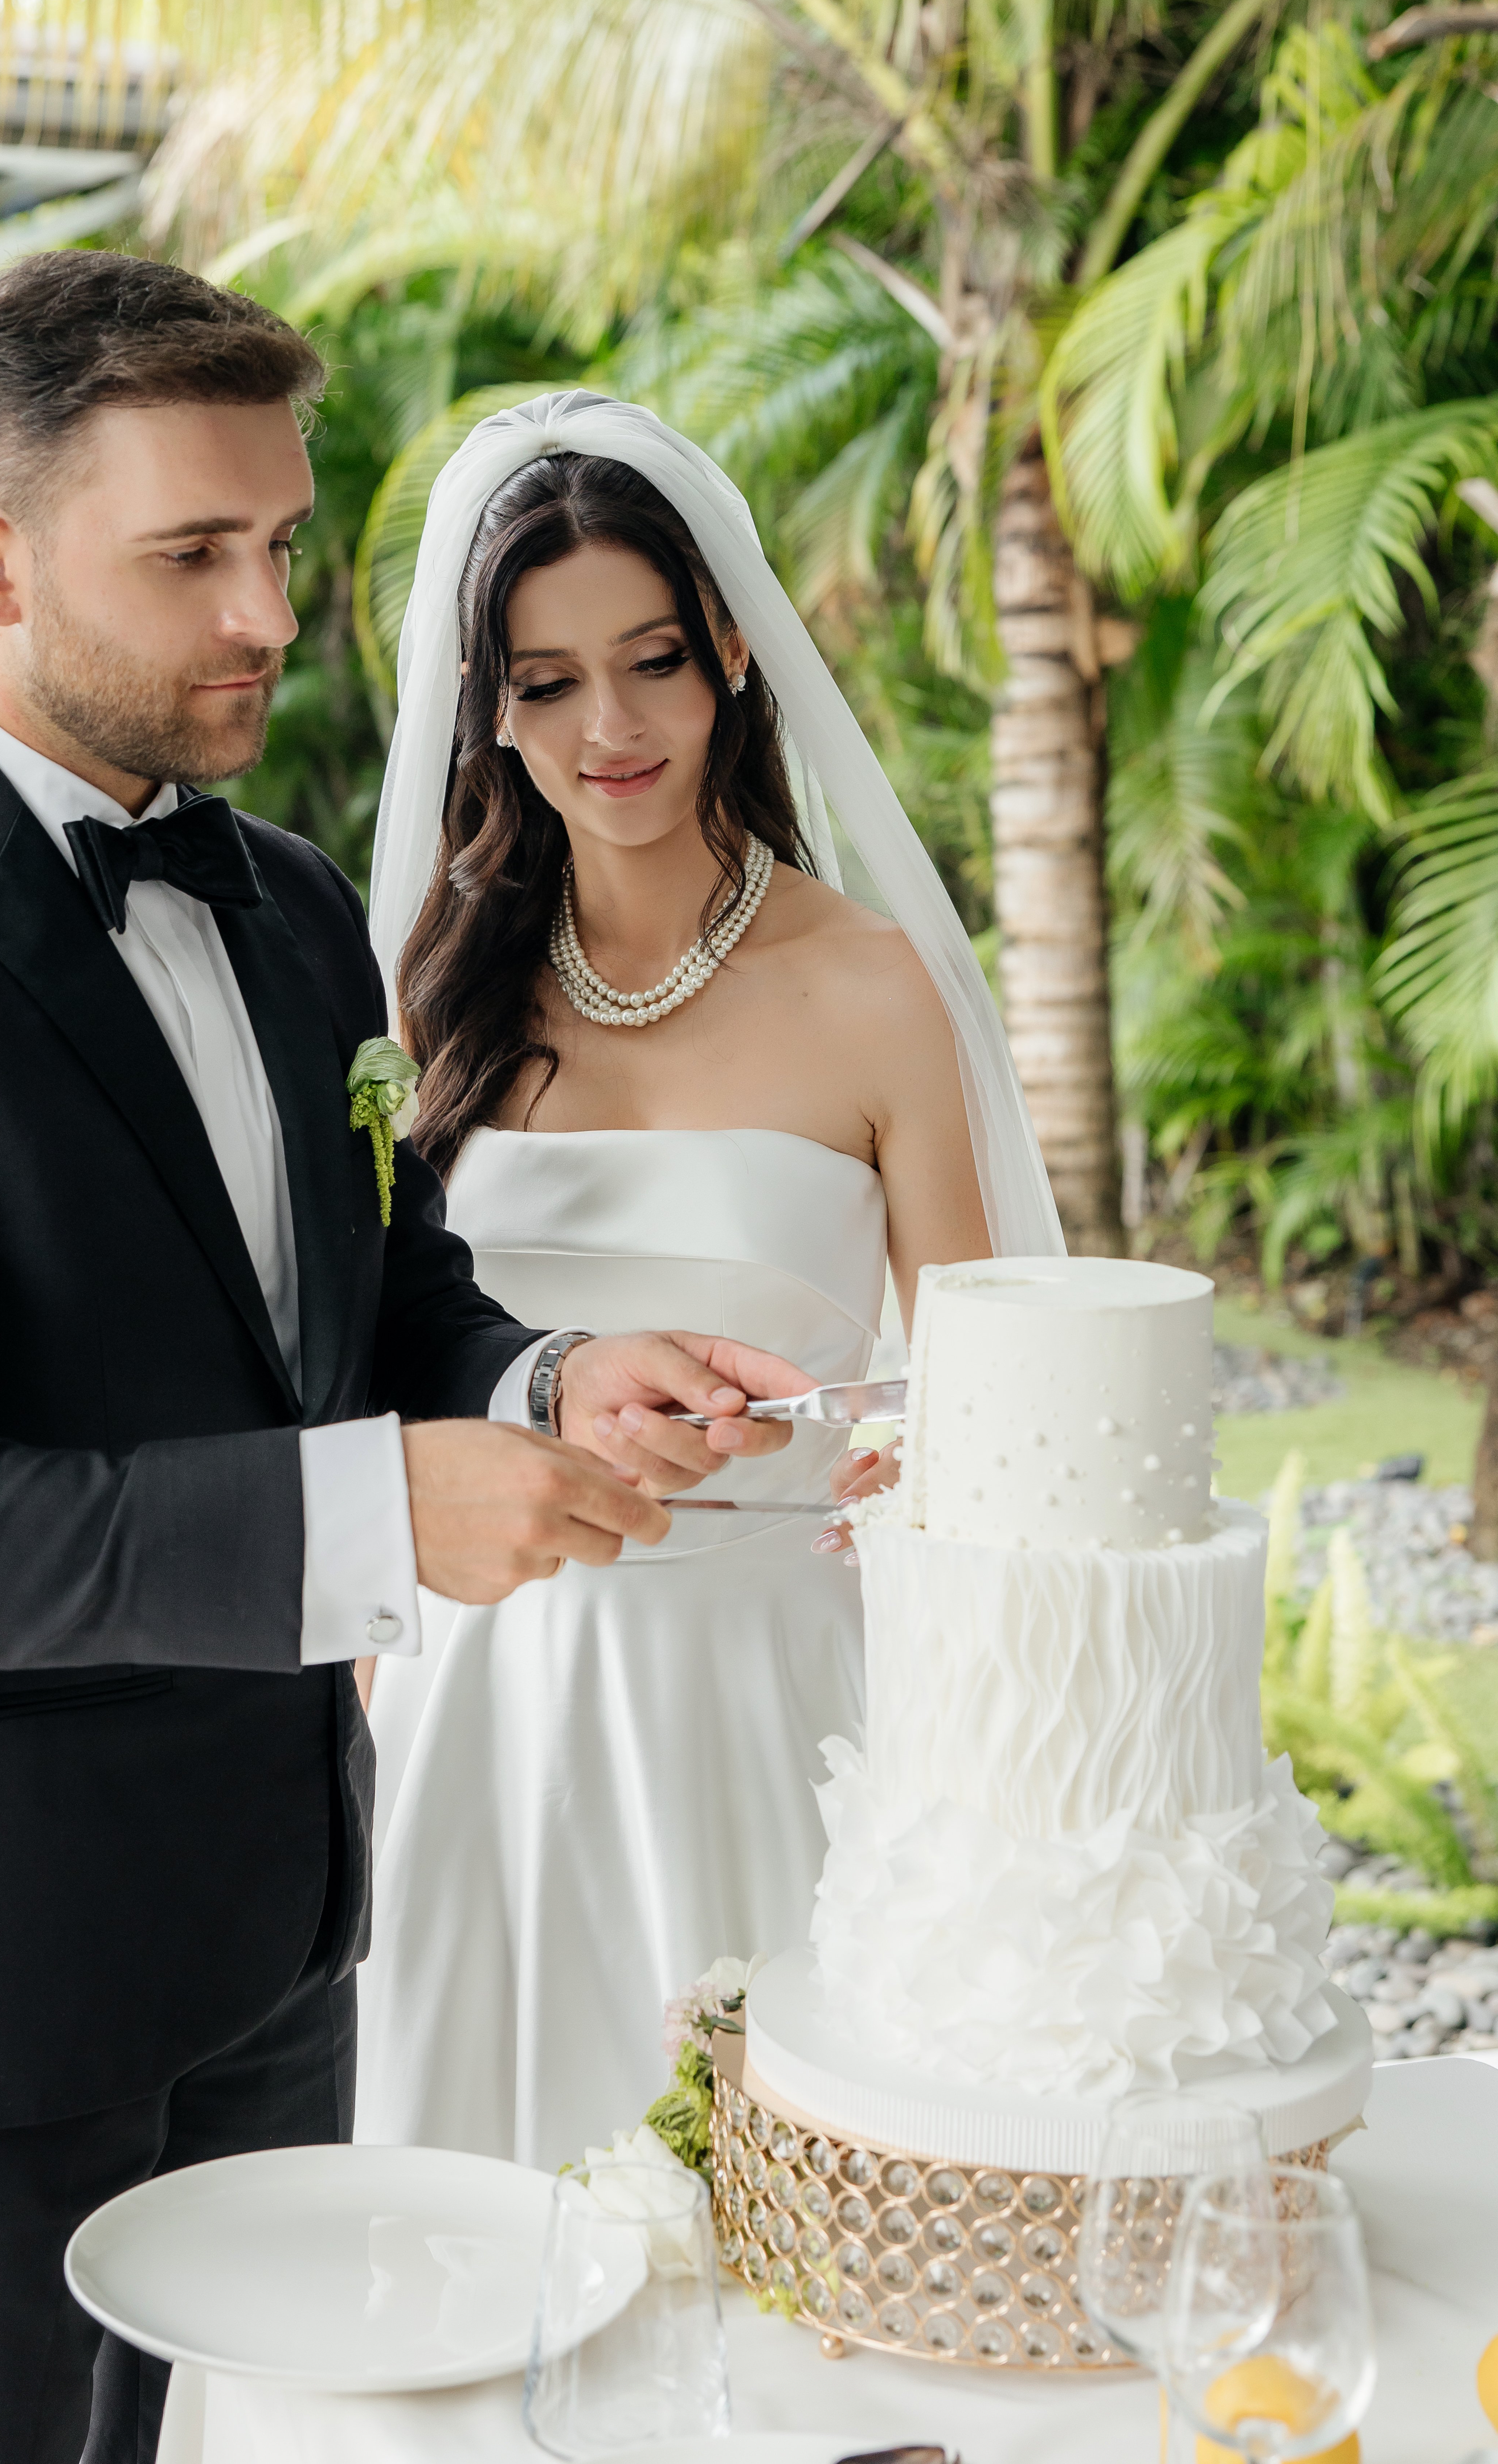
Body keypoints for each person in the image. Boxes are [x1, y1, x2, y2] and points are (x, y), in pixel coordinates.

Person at [0, 271, 805, 2464]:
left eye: (278, 542)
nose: (268, 615)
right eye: (192, 555)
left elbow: (384, 1299)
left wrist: (546, 1379)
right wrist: (382, 1510)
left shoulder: (288, 906)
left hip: (282, 1940)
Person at [355, 393, 1065, 2170]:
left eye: (653, 661)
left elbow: (990, 1388)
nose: (610, 728)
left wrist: (903, 1460)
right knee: (471, 2200)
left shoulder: (874, 983)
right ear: (488, 708)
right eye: (547, 682)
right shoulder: (427, 994)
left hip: (771, 1683)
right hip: (484, 1692)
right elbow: (369, 1350)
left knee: (785, 2205)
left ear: (732, 653)